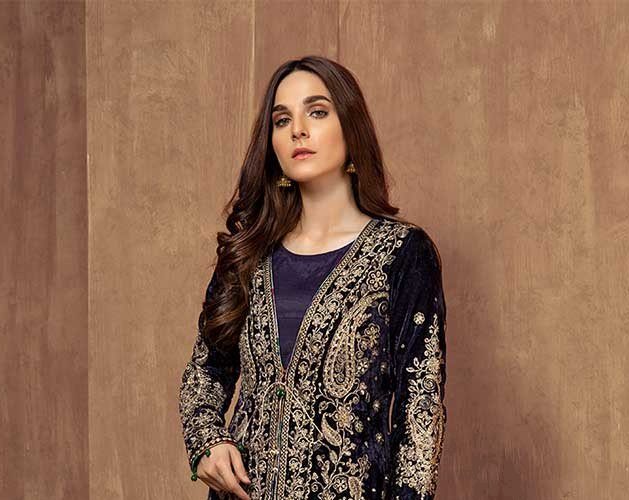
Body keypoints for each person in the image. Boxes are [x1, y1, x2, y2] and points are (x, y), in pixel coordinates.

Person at [179, 55, 447, 500]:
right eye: (282, 120)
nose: (297, 130)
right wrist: (207, 443)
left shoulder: (402, 254)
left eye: (317, 112)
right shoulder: (249, 253)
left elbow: (420, 411)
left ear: (350, 127)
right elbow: (205, 371)